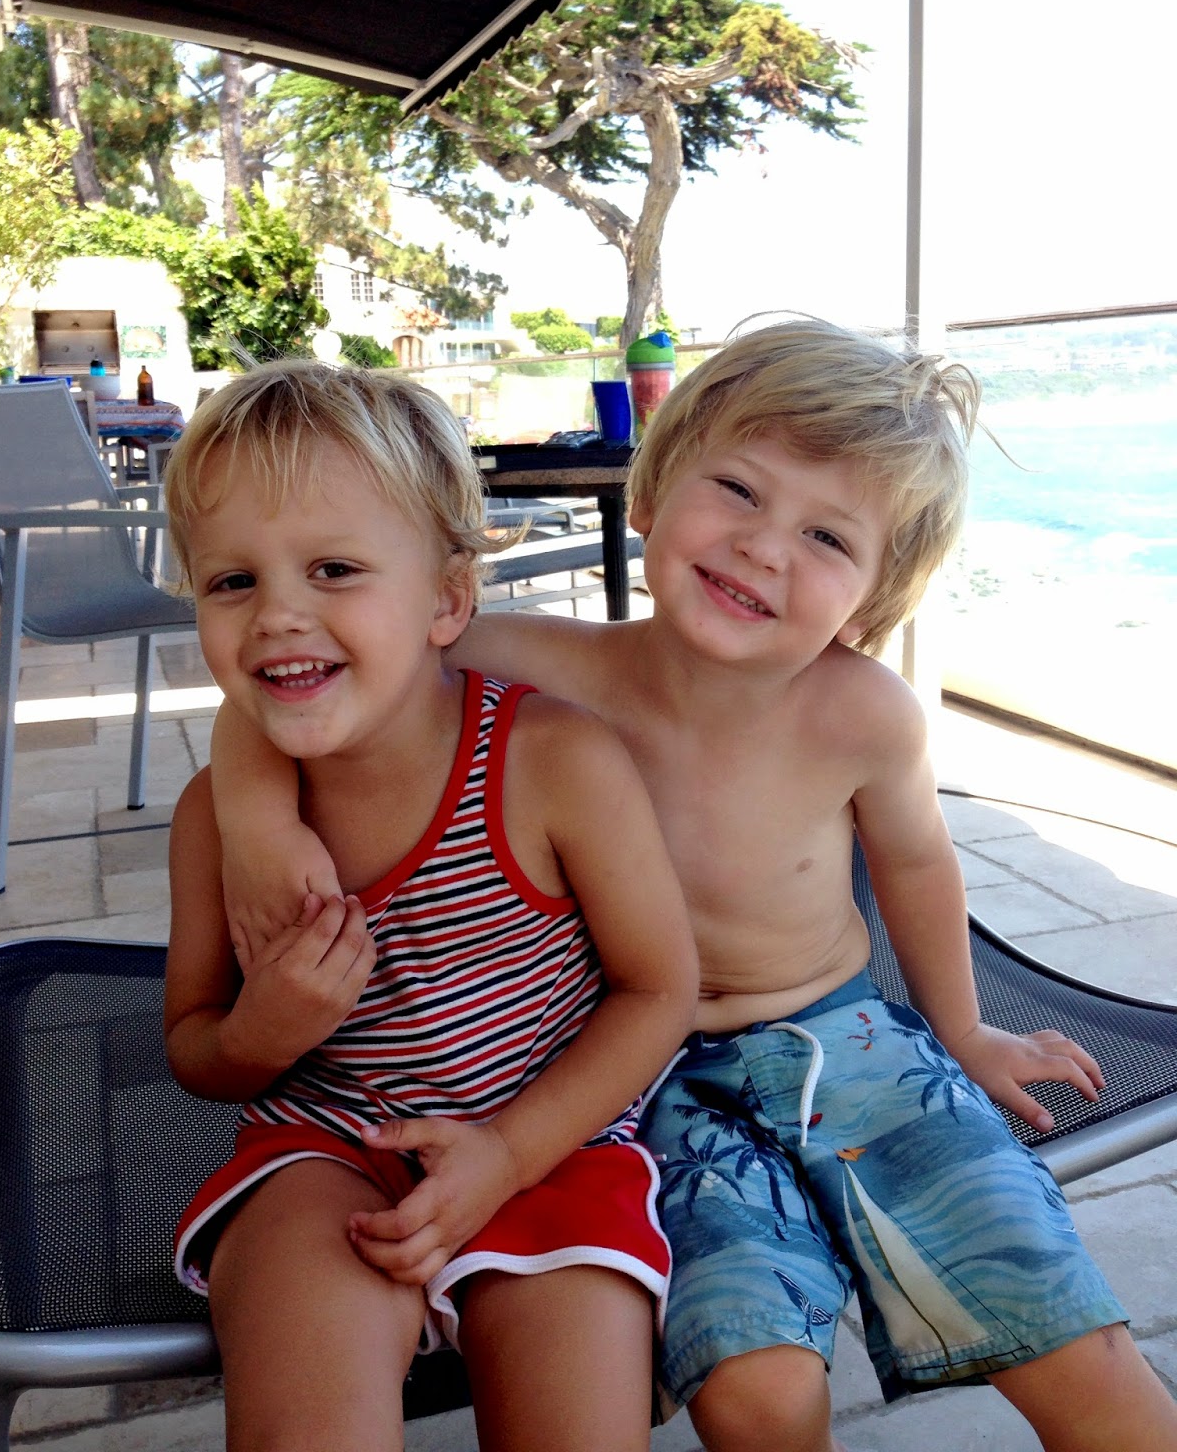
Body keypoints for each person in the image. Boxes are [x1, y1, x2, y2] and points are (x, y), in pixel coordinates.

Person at [210, 321, 1177, 1452]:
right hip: (640, 1085)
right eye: (738, 490)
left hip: (849, 1040)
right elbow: (299, 677)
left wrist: (960, 1028)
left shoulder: (864, 713)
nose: (763, 547)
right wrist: (255, 822)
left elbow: (918, 863)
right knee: (755, 1389)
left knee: (1065, 1331)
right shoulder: (538, 664)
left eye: (826, 535)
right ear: (653, 493)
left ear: (873, 597)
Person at [160, 359, 698, 1452]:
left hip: (547, 1141)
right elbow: (195, 1048)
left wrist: (507, 1154)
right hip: (323, 1152)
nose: (279, 615)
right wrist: (262, 1033)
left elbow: (660, 988)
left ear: (448, 599)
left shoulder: (552, 761)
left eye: (334, 569)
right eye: (232, 582)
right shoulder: (218, 818)